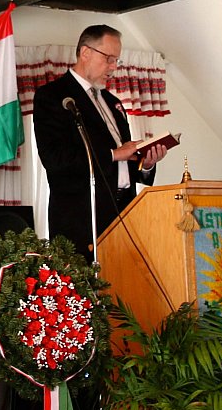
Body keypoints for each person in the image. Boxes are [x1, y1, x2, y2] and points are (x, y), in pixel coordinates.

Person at [34, 25, 169, 256]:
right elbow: (55, 158)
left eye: (117, 61)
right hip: (81, 218)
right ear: (85, 53)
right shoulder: (54, 96)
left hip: (123, 213)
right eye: (108, 59)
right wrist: (115, 154)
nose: (113, 68)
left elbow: (126, 157)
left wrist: (145, 164)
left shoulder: (112, 101)